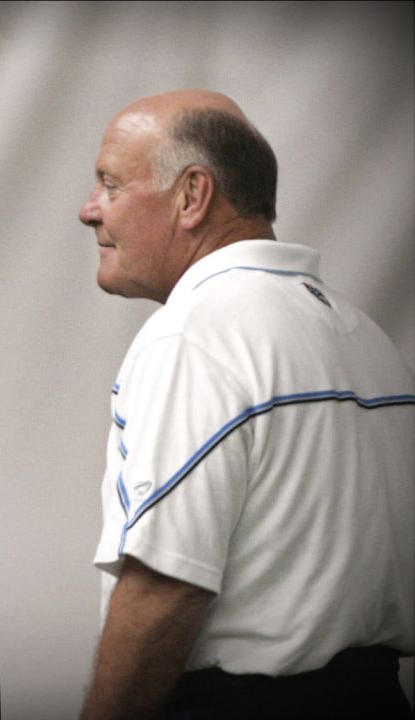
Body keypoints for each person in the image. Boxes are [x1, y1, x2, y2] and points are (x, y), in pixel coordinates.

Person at [77, 89, 415, 719]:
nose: (88, 210)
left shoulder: (196, 337)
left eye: (110, 184)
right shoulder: (367, 338)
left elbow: (164, 589)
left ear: (192, 196)